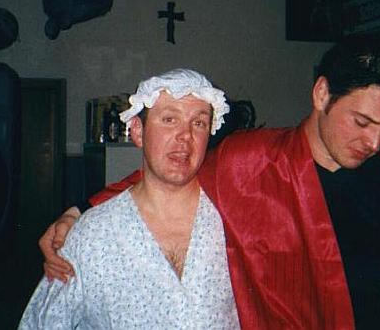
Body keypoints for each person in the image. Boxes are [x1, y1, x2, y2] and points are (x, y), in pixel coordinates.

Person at [41, 35, 380, 329]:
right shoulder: (250, 163)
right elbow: (169, 174)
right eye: (361, 122)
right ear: (322, 94)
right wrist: (80, 212)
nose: (374, 143)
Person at [20, 69, 239, 329]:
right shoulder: (93, 235)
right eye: (169, 119)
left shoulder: (233, 221)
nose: (185, 136)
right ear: (137, 131)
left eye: (199, 123)